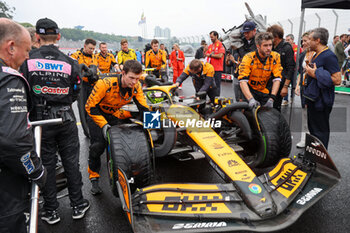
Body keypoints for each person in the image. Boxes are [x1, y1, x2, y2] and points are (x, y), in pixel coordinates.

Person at [21, 18, 89, 224]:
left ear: (37, 37)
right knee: (71, 162)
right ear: (58, 36)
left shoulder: (26, 60)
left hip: (40, 122)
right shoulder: (70, 62)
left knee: (46, 165)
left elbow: (21, 90)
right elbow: (77, 91)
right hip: (65, 118)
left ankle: (51, 210)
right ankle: (78, 204)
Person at [0, 18, 47, 233]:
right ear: (11, 47)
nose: (28, 57)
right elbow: (14, 140)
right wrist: (36, 170)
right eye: (27, 50)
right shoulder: (9, 79)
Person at [85, 60, 149, 193]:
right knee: (98, 146)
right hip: (96, 113)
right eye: (131, 78)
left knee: (123, 139)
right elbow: (89, 107)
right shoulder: (104, 83)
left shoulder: (136, 86)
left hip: (113, 113)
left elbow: (144, 108)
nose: (134, 82)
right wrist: (104, 125)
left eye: (137, 79)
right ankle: (94, 177)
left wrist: (151, 128)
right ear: (123, 73)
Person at [304, 27, 341, 148]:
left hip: (322, 101)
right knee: (314, 129)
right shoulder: (316, 54)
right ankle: (314, 155)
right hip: (313, 99)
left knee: (321, 130)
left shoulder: (329, 56)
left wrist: (315, 74)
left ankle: (321, 158)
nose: (307, 41)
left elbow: (337, 79)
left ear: (318, 40)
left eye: (310, 39)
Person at [238, 32, 282, 108]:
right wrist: (250, 99)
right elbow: (242, 81)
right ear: (258, 46)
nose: (268, 48)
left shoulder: (276, 56)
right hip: (250, 90)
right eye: (265, 45)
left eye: (270, 45)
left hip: (264, 90)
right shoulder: (248, 57)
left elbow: (277, 79)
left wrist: (272, 98)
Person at [267, 25, 296, 110]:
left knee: (275, 107)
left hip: (280, 82)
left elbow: (290, 68)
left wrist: (285, 87)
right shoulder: (272, 47)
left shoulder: (286, 47)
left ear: (275, 37)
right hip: (270, 81)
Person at [294, 31, 314, 148]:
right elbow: (301, 72)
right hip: (303, 88)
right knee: (304, 114)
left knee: (313, 115)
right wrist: (297, 86)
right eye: (302, 41)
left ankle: (313, 140)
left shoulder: (318, 54)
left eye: (305, 40)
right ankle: (304, 138)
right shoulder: (303, 55)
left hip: (313, 89)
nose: (303, 43)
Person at [205, 31, 225, 96]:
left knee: (216, 85)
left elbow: (220, 55)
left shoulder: (220, 44)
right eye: (210, 37)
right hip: (210, 69)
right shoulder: (210, 46)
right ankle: (212, 99)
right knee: (210, 85)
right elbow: (206, 54)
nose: (211, 39)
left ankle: (217, 100)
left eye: (212, 37)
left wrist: (211, 55)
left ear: (216, 36)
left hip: (217, 69)